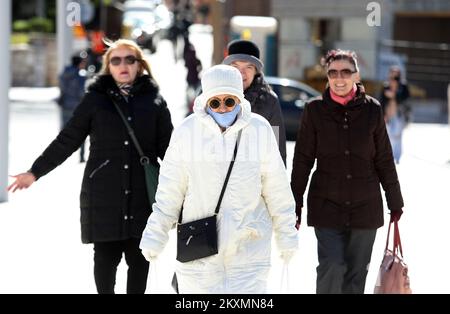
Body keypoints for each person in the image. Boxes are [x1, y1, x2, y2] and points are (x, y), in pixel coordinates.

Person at [8, 39, 174, 294]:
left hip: (143, 195)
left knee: (140, 261)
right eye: (116, 60)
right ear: (108, 66)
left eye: (130, 59)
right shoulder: (95, 101)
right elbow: (68, 140)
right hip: (103, 193)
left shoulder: (155, 101)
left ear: (140, 65)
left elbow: (171, 152)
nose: (123, 65)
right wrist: (35, 172)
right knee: (105, 260)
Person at [139, 65, 298, 293]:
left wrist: (287, 234)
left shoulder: (259, 129)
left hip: (249, 252)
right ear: (205, 101)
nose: (223, 108)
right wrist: (155, 234)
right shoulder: (187, 132)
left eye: (229, 101)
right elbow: (170, 191)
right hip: (200, 256)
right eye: (215, 102)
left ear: (239, 100)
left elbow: (277, 188)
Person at [290, 49, 404, 294]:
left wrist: (395, 201)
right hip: (326, 205)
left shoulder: (373, 110)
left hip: (365, 206)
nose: (339, 78)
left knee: (356, 273)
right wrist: (294, 202)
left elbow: (384, 158)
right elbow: (303, 160)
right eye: (333, 73)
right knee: (332, 265)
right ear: (327, 76)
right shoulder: (314, 110)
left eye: (345, 72)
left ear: (356, 75)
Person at [222, 39, 287, 165]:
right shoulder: (210, 95)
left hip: (253, 178)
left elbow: (277, 149)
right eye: (235, 67)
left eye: (248, 67)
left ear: (256, 71)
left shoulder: (269, 101)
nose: (241, 73)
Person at [58, 52, 88, 162]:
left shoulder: (64, 74)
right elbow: (81, 92)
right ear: (79, 63)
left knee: (64, 131)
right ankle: (81, 156)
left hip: (65, 104)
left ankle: (60, 154)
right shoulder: (81, 76)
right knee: (81, 131)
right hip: (77, 107)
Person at [379, 66, 411, 163]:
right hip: (388, 113)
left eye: (396, 75)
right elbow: (382, 101)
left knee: (398, 135)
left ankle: (397, 157)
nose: (394, 77)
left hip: (399, 113)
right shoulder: (385, 86)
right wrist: (383, 114)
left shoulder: (403, 86)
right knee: (388, 135)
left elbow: (405, 99)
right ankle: (389, 156)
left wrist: (395, 94)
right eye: (392, 74)